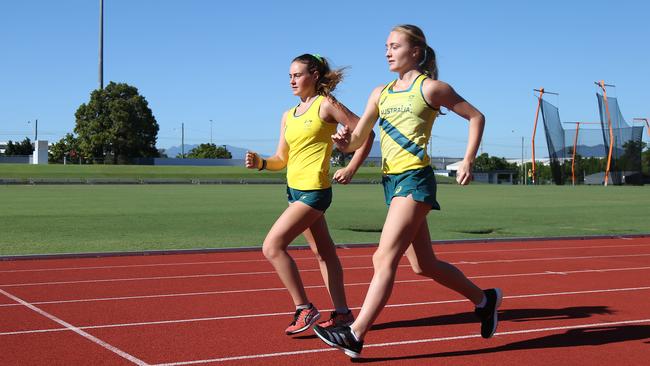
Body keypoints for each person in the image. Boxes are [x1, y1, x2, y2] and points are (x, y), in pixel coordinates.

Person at [313, 25, 502, 357]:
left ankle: (355, 334)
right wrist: (346, 143)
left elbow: (476, 116)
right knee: (424, 265)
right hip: (391, 182)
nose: (387, 52)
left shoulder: (431, 88)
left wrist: (468, 159)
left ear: (416, 51)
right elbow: (360, 138)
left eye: (394, 46)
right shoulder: (380, 93)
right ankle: (484, 300)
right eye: (385, 46)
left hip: (415, 180)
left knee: (383, 257)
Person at [245, 54, 374, 335]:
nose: (292, 80)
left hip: (315, 192)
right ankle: (342, 314)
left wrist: (351, 167)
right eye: (289, 76)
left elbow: (367, 132)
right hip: (294, 191)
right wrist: (262, 164)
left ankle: (304, 308)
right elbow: (282, 158)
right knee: (323, 253)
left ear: (314, 75)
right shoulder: (287, 116)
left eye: (297, 74)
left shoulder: (326, 105)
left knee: (272, 247)